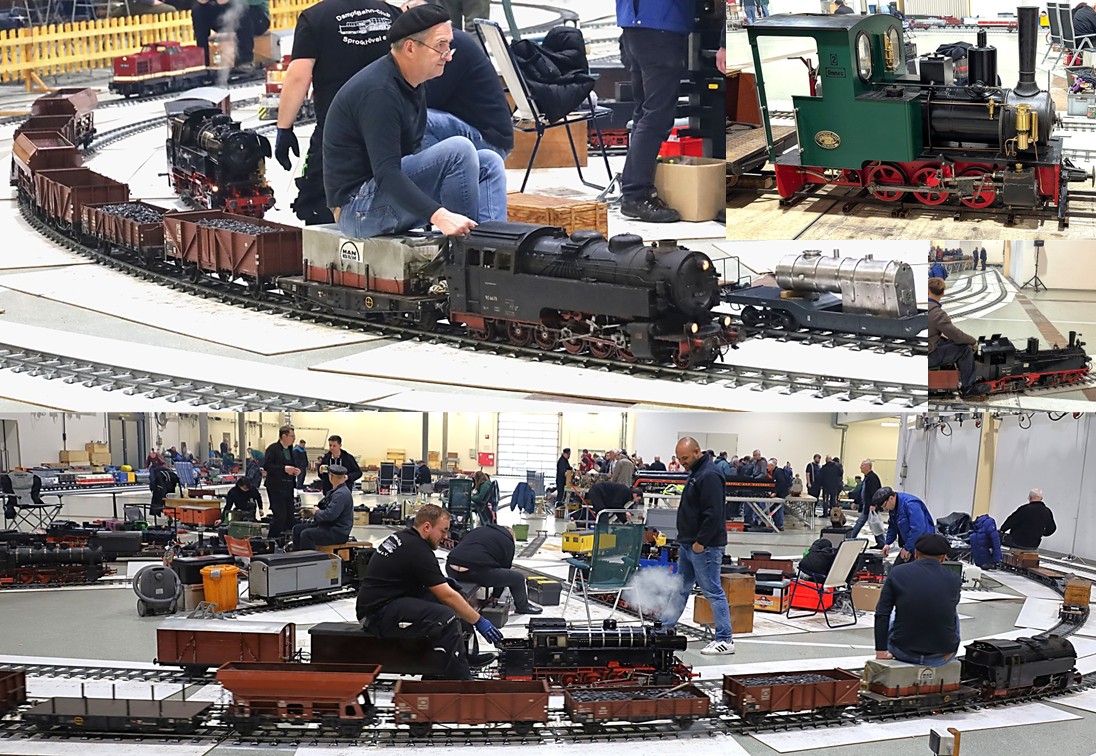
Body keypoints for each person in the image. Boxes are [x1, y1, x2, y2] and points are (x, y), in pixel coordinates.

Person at [323, 4, 507, 240]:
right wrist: (439, 215)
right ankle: (466, 253)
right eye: (441, 46)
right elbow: (387, 173)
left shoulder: (413, 82)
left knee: (488, 163)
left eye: (449, 45)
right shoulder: (380, 93)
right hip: (357, 210)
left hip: (378, 196)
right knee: (458, 150)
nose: (448, 55)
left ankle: (492, 244)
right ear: (410, 48)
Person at [273, 0, 398, 225]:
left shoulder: (315, 18)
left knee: (322, 204)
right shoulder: (391, 14)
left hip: (337, 131)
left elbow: (299, 76)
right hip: (390, 127)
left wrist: (285, 127)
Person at [356, 504, 504, 680]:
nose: (445, 536)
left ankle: (464, 655)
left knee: (456, 594)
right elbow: (445, 596)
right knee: (446, 615)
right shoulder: (417, 550)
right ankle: (461, 679)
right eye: (443, 531)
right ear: (427, 527)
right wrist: (480, 621)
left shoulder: (407, 539)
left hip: (394, 599)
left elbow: (441, 588)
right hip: (377, 613)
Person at [616, 0, 725, 223]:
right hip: (660, 28)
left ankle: (632, 189)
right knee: (656, 116)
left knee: (644, 114)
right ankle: (635, 195)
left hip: (633, 29)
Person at [399, 0, 513, 159]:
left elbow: (426, 98)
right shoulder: (437, 44)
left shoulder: (451, 47)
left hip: (489, 141)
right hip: (467, 126)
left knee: (419, 120)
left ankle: (426, 178)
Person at [661, 436, 735, 655]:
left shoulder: (709, 475)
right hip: (688, 544)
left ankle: (725, 639)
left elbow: (714, 513)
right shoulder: (695, 472)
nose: (682, 462)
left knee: (712, 590)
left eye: (685, 458)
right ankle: (666, 627)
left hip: (705, 547)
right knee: (681, 588)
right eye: (679, 459)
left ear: (697, 452)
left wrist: (701, 542)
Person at [874, 534, 962, 667]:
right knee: (952, 613)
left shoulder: (898, 572)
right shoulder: (954, 579)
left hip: (902, 652)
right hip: (941, 656)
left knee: (893, 613)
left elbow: (881, 613)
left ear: (916, 553)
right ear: (943, 558)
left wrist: (881, 651)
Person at [446, 522, 542, 614]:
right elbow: (505, 568)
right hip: (475, 572)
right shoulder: (507, 540)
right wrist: (496, 595)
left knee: (481, 566)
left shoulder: (478, 530)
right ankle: (523, 607)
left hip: (451, 569)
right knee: (517, 578)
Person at [928, 277, 987, 399]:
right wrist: (973, 341)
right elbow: (957, 335)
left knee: (948, 340)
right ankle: (968, 388)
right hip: (928, 354)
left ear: (927, 291)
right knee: (964, 349)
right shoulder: (937, 313)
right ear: (943, 293)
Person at [192, 0, 271, 69]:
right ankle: (204, 58)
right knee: (198, 9)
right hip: (226, 15)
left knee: (240, 8)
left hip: (256, 17)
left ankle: (245, 61)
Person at [291, 464, 354, 550]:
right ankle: (296, 557)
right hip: (329, 527)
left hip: (337, 532)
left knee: (307, 534)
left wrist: (316, 512)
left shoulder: (340, 494)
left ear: (331, 477)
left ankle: (309, 560)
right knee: (297, 529)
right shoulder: (337, 491)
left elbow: (329, 515)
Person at [874, 487, 935, 566]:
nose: (885, 509)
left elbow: (918, 529)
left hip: (922, 546)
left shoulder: (911, 504)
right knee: (896, 571)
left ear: (891, 498)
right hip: (910, 545)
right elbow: (892, 526)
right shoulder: (893, 506)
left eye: (884, 506)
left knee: (910, 572)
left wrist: (907, 548)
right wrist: (887, 543)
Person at [263, 425, 301, 540]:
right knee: (280, 516)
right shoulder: (273, 449)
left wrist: (295, 470)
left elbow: (291, 465)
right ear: (284, 436)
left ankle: (285, 541)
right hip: (275, 487)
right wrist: (283, 469)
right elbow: (267, 466)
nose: (294, 439)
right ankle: (271, 540)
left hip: (288, 487)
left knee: (290, 516)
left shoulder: (290, 450)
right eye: (292, 436)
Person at [850, 460, 884, 547]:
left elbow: (875, 492)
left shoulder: (872, 478)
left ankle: (850, 538)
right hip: (867, 505)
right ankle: (881, 542)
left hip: (870, 506)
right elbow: (863, 491)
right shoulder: (867, 477)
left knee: (862, 522)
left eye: (862, 465)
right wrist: (856, 502)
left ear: (867, 467)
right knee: (874, 523)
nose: (860, 467)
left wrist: (874, 504)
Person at [575, 481, 642, 524]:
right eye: (637, 499)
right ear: (635, 495)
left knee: (604, 514)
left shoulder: (627, 494)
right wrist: (625, 512)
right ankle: (602, 533)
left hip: (602, 495)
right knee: (603, 513)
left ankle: (603, 532)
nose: (636, 501)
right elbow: (616, 505)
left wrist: (625, 521)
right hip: (597, 492)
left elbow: (617, 509)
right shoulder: (625, 492)